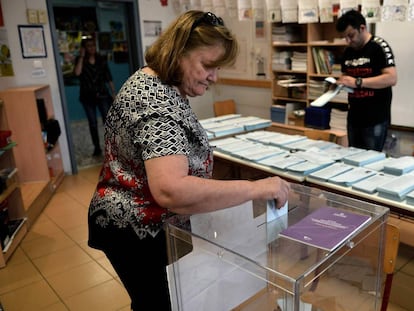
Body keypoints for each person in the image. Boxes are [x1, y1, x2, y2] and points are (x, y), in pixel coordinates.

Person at [87, 10, 290, 311]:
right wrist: (255, 188)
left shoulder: (162, 85)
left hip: (147, 224)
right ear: (179, 52)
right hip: (134, 228)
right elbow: (172, 191)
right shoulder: (154, 101)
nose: (214, 77)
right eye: (208, 65)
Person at [336, 9, 397, 151]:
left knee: (371, 163)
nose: (348, 41)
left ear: (362, 28)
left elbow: (392, 78)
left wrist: (358, 82)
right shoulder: (348, 52)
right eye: (345, 37)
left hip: (375, 118)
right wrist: (338, 83)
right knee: (353, 159)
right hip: (354, 117)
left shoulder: (379, 46)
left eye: (351, 35)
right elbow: (346, 77)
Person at [74, 37, 116, 157]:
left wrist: (113, 93)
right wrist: (81, 57)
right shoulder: (80, 59)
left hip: (102, 94)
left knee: (107, 121)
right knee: (92, 123)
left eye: (93, 45)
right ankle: (97, 147)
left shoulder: (101, 59)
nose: (91, 48)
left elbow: (108, 76)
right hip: (87, 97)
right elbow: (77, 73)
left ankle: (111, 147)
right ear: (84, 48)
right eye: (88, 46)